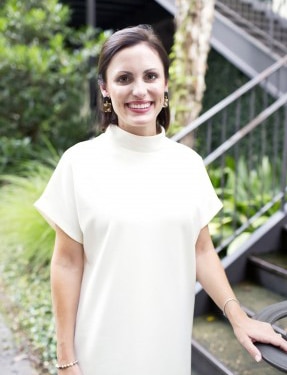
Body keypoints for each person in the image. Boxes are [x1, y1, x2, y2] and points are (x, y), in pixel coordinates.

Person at [34, 24, 287, 375]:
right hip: (98, 357)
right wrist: (66, 359)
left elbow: (201, 250)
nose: (140, 90)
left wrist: (238, 316)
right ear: (105, 89)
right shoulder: (79, 163)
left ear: (165, 85)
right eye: (124, 78)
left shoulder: (188, 165)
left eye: (150, 76)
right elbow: (66, 264)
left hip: (167, 354)